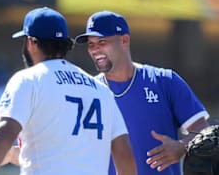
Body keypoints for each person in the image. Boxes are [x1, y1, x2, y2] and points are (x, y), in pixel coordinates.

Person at [0, 7, 137, 175]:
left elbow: (4, 134)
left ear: (31, 42)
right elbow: (124, 153)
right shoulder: (101, 90)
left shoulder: (29, 79)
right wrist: (18, 155)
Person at [74, 10, 210, 175]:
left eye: (102, 41)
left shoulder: (164, 80)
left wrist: (181, 147)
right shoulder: (88, 91)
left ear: (124, 40)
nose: (95, 50)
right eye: (91, 44)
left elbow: (203, 130)